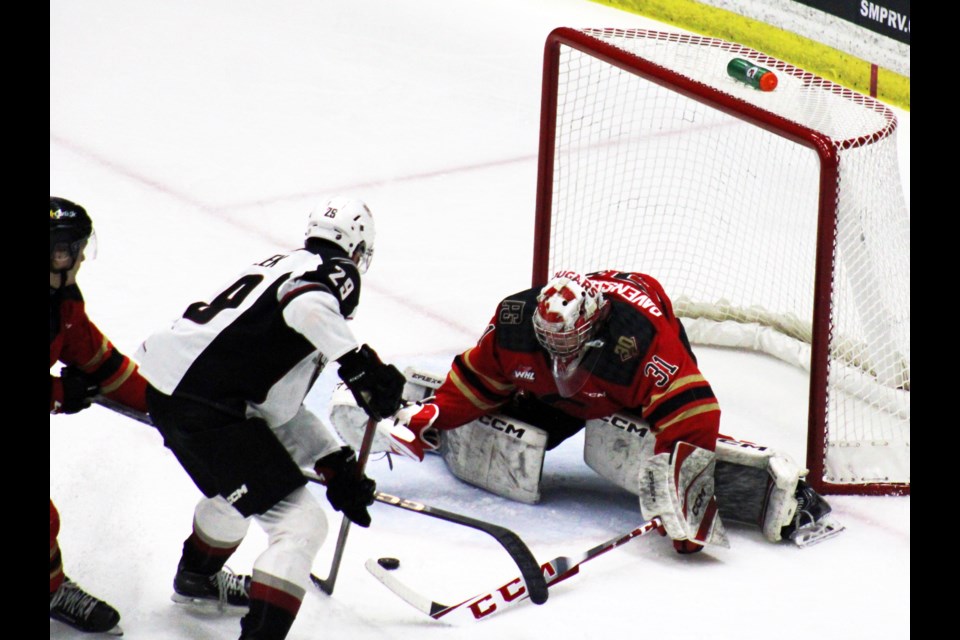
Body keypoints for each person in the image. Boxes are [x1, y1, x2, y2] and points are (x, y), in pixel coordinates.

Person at [375, 269, 839, 552]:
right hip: (558, 393)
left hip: (624, 387)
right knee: (523, 438)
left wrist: (685, 508)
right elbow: (479, 378)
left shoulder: (640, 340)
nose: (558, 352)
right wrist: (436, 414)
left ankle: (789, 499)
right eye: (549, 342)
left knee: (656, 443)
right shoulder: (515, 322)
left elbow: (693, 413)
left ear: (595, 324)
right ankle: (502, 411)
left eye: (568, 342)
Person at [134, 196, 406, 640]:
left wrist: (332, 460)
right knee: (301, 524)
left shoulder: (282, 264)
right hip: (208, 405)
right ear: (358, 250)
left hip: (178, 390)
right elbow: (305, 303)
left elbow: (276, 410)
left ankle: (196, 580)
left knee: (241, 493)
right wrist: (357, 363)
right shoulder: (334, 271)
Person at [50, 197, 150, 634]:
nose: (82, 256)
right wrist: (59, 392)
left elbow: (97, 360)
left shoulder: (62, 302)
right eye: (70, 248)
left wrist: (166, 404)